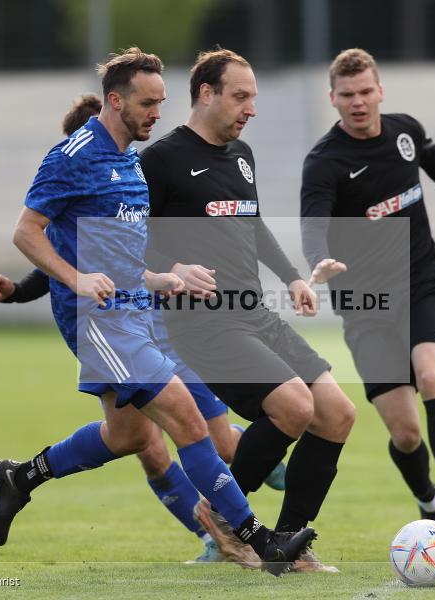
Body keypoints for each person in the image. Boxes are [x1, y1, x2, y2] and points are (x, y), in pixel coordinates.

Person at [0, 47, 315, 576]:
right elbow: (27, 232)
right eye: (148, 104)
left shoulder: (127, 163)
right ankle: (261, 539)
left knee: (128, 436)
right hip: (99, 321)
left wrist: (163, 276)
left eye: (162, 103)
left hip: (136, 312)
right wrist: (72, 280)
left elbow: (116, 250)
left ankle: (21, 477)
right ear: (115, 101)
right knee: (189, 421)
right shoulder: (74, 155)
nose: (157, 114)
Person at [142, 48, 356, 572]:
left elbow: (253, 226)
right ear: (206, 94)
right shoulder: (160, 160)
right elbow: (127, 241)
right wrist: (173, 268)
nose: (251, 108)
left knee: (336, 413)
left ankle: (289, 545)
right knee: (293, 407)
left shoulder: (242, 155)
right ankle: (220, 514)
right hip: (201, 323)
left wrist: (291, 278)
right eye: (241, 97)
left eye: (254, 98)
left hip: (254, 312)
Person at [300, 48, 435, 544]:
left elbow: (432, 157)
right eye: (347, 95)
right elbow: (314, 220)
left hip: (421, 283)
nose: (358, 102)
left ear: (380, 91)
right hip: (367, 305)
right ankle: (430, 501)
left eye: (366, 92)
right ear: (333, 99)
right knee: (406, 433)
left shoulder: (404, 130)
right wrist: (318, 261)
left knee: (432, 374)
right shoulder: (326, 162)